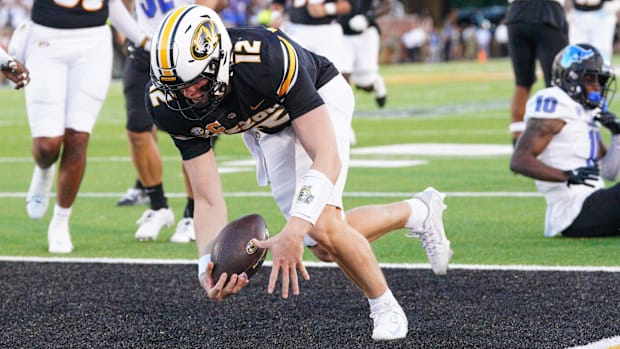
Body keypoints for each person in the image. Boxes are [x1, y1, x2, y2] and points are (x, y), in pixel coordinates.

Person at [147, 5, 452, 341]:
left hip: (318, 97)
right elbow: (206, 197)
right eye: (177, 87)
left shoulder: (264, 60)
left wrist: (294, 228)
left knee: (318, 225)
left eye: (196, 83)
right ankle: (419, 211)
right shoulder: (168, 106)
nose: (188, 95)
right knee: (322, 243)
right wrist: (207, 263)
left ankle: (385, 307)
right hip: (268, 127)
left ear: (219, 61)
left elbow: (326, 156)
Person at [10, 0, 151, 253]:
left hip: (93, 44)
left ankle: (61, 220)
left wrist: (143, 40)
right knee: (47, 146)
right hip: (45, 39)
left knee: (78, 138)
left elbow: (112, 6)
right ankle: (44, 170)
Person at [118, 0, 225, 243]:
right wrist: (127, 30)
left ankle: (192, 213)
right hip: (145, 50)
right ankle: (158, 207)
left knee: (195, 133)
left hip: (187, 51)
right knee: (137, 130)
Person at [510, 43, 620, 237]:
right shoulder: (556, 102)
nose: (597, 86)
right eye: (589, 78)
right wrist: (566, 175)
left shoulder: (586, 111)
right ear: (570, 78)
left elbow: (609, 172)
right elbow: (519, 160)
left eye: (600, 79)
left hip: (593, 201)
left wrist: (617, 135)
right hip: (573, 210)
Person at [505, 0, 569, 146]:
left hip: (517, 12)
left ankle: (517, 140)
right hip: (548, 11)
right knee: (557, 84)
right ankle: (558, 140)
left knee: (522, 83)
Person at [338, 0, 390, 108]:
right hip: (341, 33)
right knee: (340, 76)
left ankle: (375, 83)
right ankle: (344, 110)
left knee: (365, 83)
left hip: (365, 33)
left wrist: (367, 17)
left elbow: (386, 4)